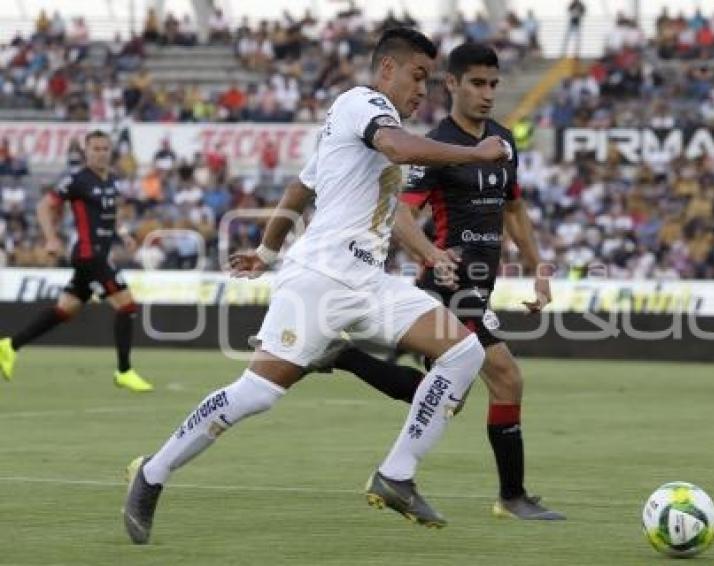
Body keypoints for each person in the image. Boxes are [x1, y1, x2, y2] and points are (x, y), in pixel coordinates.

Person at [121, 28, 510, 544]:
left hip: (368, 282)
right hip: (321, 279)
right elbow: (394, 148)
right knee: (257, 393)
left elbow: (301, 186)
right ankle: (153, 472)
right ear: (387, 70)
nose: (424, 90)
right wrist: (477, 154)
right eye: (418, 76)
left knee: (463, 353)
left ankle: (396, 474)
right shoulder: (361, 103)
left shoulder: (351, 125)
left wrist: (265, 249)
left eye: (429, 81)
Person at [319, 43, 564, 520]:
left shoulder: (502, 141)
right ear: (450, 84)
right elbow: (401, 215)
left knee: (437, 393)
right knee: (506, 377)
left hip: (480, 286)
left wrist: (539, 269)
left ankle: (343, 355)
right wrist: (431, 254)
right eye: (476, 83)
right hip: (447, 285)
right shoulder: (435, 145)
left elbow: (514, 210)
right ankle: (511, 498)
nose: (487, 93)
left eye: (493, 84)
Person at [0, 131, 153, 392]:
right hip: (87, 254)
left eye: (105, 148)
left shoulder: (112, 180)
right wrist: (50, 238)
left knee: (64, 310)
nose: (101, 153)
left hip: (99, 254)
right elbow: (44, 206)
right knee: (126, 307)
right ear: (86, 151)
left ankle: (10, 346)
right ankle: (124, 371)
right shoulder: (77, 181)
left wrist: (124, 234)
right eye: (95, 149)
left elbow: (110, 214)